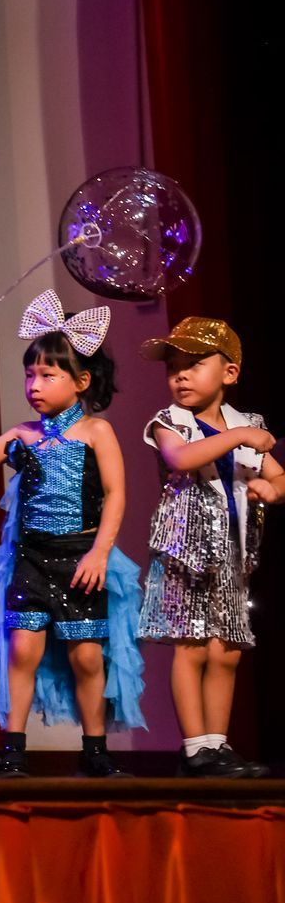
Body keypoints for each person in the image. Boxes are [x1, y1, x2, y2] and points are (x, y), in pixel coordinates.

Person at [0, 290, 144, 778]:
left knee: (87, 657)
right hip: (32, 558)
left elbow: (116, 495)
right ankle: (13, 751)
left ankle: (95, 753)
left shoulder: (97, 433)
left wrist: (100, 553)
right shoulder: (23, 434)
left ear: (81, 381)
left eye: (48, 375)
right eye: (30, 374)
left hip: (80, 558)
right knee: (22, 649)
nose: (34, 385)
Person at [135, 317, 281, 777]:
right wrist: (238, 439)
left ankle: (218, 745)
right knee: (193, 645)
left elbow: (276, 476)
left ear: (229, 373)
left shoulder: (244, 422)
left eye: (194, 365)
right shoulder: (170, 423)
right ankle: (195, 747)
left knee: (227, 650)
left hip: (233, 556)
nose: (180, 375)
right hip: (186, 552)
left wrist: (270, 490)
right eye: (174, 367)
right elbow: (180, 458)